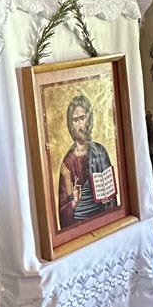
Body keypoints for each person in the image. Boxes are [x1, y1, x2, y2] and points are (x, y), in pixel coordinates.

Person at [58, 94, 116, 228]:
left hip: (102, 217)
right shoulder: (67, 163)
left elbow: (111, 195)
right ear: (70, 125)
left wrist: (108, 198)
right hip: (80, 223)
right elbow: (63, 208)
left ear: (89, 120)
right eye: (75, 120)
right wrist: (74, 203)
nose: (79, 124)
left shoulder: (100, 152)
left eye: (82, 118)